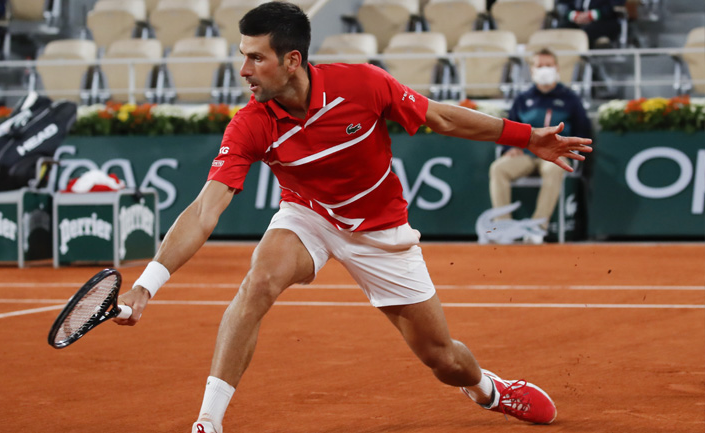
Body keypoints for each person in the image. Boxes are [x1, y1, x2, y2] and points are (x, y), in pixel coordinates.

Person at [115, 3, 592, 432]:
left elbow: (441, 118)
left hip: (381, 230)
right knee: (258, 282)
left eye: (256, 58)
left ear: (292, 60)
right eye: (243, 57)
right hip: (309, 216)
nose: (244, 71)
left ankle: (488, 389)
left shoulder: (363, 84)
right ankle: (208, 421)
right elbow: (205, 209)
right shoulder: (251, 124)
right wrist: (146, 285)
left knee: (443, 359)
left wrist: (527, 137)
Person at [488, 48, 593, 244]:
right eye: (540, 66)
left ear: (557, 68)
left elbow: (583, 131)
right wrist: (510, 148)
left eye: (548, 65)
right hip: (526, 153)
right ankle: (504, 227)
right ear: (532, 70)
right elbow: (508, 128)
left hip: (556, 154)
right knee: (498, 168)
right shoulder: (522, 99)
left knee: (554, 169)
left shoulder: (570, 99)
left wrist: (569, 150)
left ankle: (537, 227)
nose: (544, 69)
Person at [562, 0, 627, 49]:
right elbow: (566, 5)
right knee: (562, 29)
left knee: (584, 32)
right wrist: (575, 16)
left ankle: (583, 58)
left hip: (605, 21)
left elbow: (614, 6)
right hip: (578, 19)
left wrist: (591, 15)